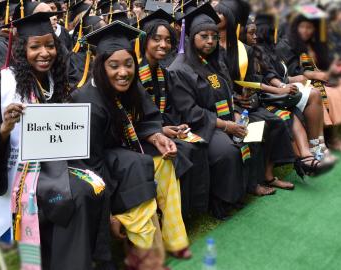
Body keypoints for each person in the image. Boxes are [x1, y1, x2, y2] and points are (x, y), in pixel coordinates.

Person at [0, 11, 107, 270]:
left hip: (57, 164)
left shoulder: (56, 82)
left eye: (50, 45)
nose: (44, 53)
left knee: (95, 185)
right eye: (35, 47)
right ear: (22, 50)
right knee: (74, 195)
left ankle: (89, 259)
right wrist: (5, 128)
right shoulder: (5, 88)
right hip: (20, 173)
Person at [73, 20, 191, 269]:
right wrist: (109, 214)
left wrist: (157, 137)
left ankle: (174, 240)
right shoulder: (88, 104)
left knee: (166, 162)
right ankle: (146, 255)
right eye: (113, 66)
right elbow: (89, 164)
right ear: (99, 66)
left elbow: (148, 118)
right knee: (139, 168)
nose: (123, 72)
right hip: (96, 165)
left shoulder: (130, 85)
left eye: (129, 64)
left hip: (123, 150)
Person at [168, 3, 247, 219]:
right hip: (197, 127)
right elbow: (190, 111)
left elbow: (227, 91)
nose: (210, 41)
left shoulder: (215, 59)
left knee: (252, 134)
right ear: (192, 37)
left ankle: (244, 189)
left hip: (223, 119)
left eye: (213, 36)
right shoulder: (179, 69)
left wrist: (237, 113)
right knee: (226, 151)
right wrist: (225, 125)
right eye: (204, 36)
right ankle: (220, 201)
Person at [215, 0, 295, 193]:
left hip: (244, 103)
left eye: (219, 13)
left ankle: (268, 175)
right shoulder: (210, 46)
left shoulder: (245, 50)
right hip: (223, 104)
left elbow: (251, 78)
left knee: (275, 122)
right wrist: (233, 98)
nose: (215, 15)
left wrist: (247, 94)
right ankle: (253, 183)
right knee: (257, 127)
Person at [138, 7, 210, 218]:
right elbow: (135, 117)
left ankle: (194, 210)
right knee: (183, 151)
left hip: (159, 128)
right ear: (145, 41)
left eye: (168, 40)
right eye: (157, 39)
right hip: (141, 137)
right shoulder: (134, 74)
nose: (163, 44)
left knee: (197, 144)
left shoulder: (163, 73)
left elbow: (167, 108)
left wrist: (175, 126)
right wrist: (160, 129)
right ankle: (177, 213)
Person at [247, 14, 335, 176]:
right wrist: (282, 86)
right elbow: (267, 77)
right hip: (265, 97)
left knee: (313, 95)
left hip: (278, 91)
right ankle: (309, 154)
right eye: (251, 32)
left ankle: (316, 147)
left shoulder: (269, 48)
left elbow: (276, 73)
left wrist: (286, 84)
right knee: (298, 106)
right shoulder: (253, 50)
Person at [276, 5, 341, 154]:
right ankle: (330, 139)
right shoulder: (286, 44)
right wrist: (313, 75)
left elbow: (324, 65)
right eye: (303, 27)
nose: (306, 31)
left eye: (310, 27)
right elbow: (289, 72)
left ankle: (337, 135)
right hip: (299, 82)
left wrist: (330, 72)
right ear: (295, 27)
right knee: (330, 93)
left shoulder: (315, 44)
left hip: (320, 79)